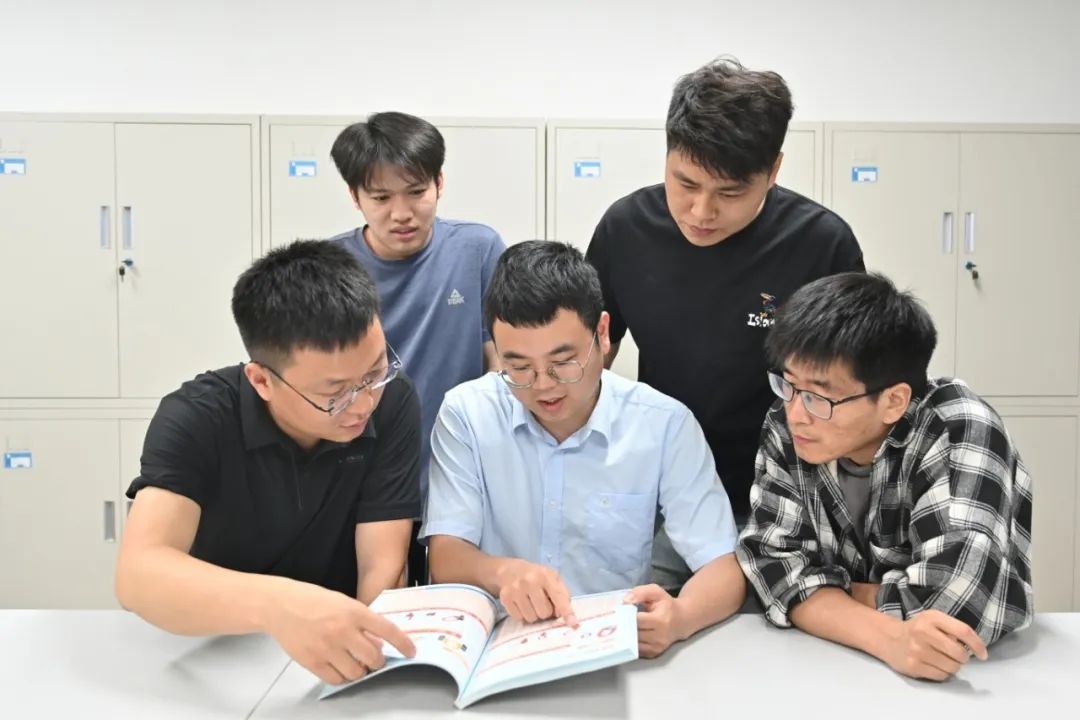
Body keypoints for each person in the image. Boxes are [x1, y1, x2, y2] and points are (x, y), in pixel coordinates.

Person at [585, 58, 865, 588]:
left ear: (773, 170)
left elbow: (852, 392)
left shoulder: (820, 245)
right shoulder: (626, 230)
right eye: (685, 183)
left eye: (730, 193)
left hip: (788, 502)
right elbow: (592, 356)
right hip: (664, 497)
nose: (700, 211)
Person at [116, 240, 421, 685]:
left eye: (375, 372)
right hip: (215, 649)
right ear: (261, 380)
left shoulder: (391, 401)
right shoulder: (198, 417)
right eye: (334, 394)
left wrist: (369, 661)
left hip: (333, 655)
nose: (363, 404)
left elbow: (382, 566)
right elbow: (139, 574)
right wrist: (280, 606)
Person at [421, 241, 745, 659]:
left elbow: (723, 568)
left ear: (603, 333)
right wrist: (502, 572)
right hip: (498, 649)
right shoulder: (467, 413)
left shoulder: (663, 424)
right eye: (518, 367)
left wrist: (680, 617)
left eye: (563, 362)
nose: (543, 385)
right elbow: (446, 555)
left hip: (610, 650)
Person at [737, 271, 1033, 681]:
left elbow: (955, 605)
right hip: (822, 666)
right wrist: (889, 638)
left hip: (975, 678)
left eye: (819, 396)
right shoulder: (787, 424)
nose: (796, 413)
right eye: (788, 384)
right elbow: (773, 568)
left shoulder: (959, 426)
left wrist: (827, 593)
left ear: (893, 401)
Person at [330, 111, 506, 585]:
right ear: (354, 197)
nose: (402, 213)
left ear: (439, 183)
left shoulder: (477, 249)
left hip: (455, 475)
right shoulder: (332, 266)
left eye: (416, 192)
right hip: (363, 476)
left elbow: (500, 362)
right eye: (381, 198)